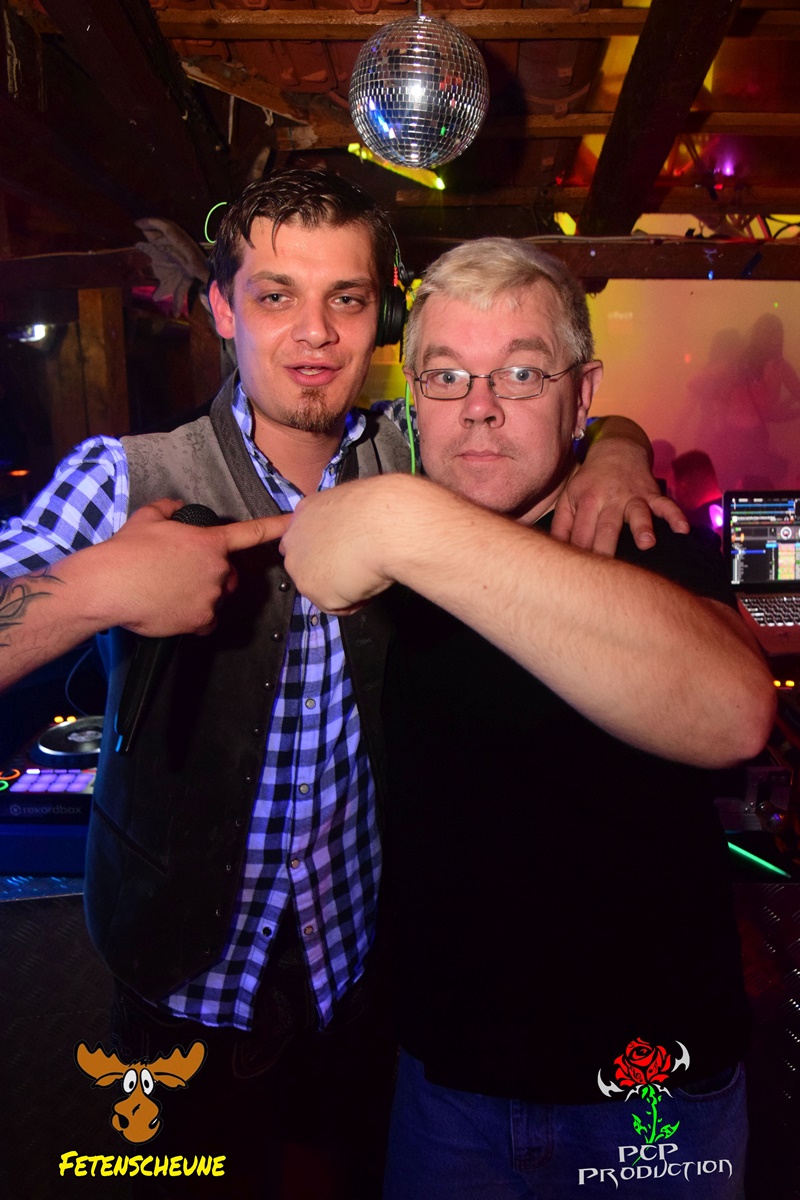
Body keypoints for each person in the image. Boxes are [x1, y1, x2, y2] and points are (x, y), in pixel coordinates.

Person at [0, 174, 684, 1198]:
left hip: (361, 992)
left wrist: (616, 450)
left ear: (382, 319)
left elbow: (547, 412)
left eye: (347, 299)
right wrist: (94, 587)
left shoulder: (412, 456)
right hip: (178, 994)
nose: (314, 333)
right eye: (275, 295)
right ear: (223, 308)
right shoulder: (125, 475)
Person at [278, 237, 777, 1199]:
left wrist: (420, 520)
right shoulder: (383, 532)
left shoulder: (635, 528)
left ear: (580, 396)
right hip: (446, 1087)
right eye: (447, 375)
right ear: (413, 399)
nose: (480, 406)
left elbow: (734, 714)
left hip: (651, 1094)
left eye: (520, 372)